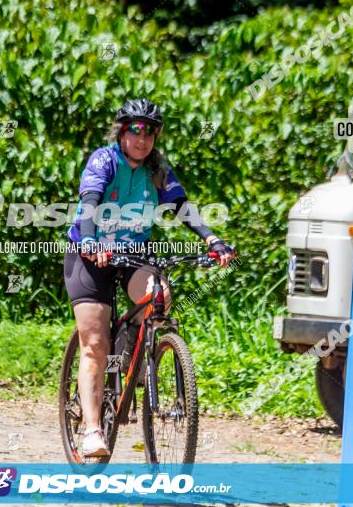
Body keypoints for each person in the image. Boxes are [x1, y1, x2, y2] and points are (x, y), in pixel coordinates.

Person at [64, 98, 236, 457]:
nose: (144, 139)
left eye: (151, 132)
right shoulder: (104, 159)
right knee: (94, 342)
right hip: (90, 255)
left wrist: (211, 239)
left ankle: (136, 360)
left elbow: (181, 207)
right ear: (122, 132)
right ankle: (93, 429)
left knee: (160, 295)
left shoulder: (157, 168)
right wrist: (93, 240)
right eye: (136, 130)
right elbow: (91, 201)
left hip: (131, 254)